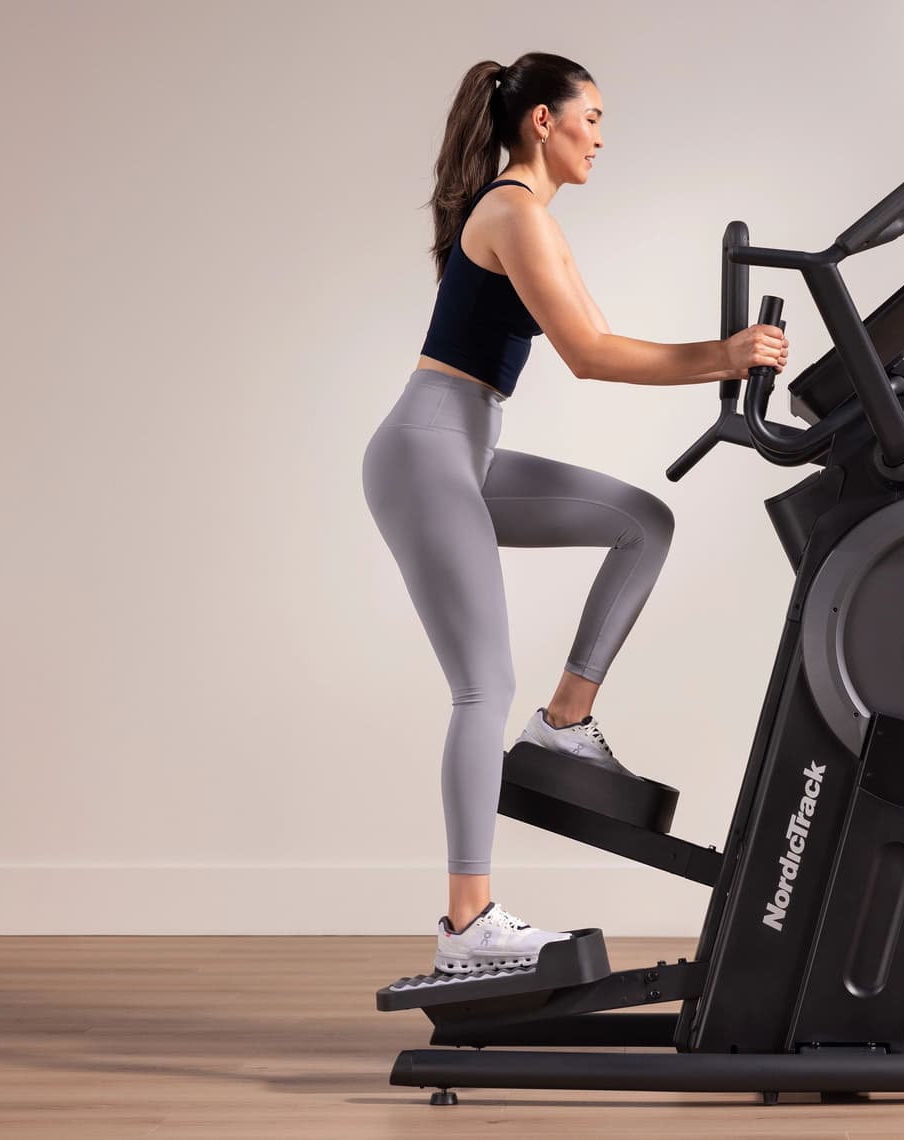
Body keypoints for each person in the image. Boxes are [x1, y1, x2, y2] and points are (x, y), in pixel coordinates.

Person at [361, 53, 789, 975]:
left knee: (643, 522)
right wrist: (726, 355)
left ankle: (565, 721)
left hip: (461, 448)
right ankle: (468, 925)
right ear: (542, 122)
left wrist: (723, 357)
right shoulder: (512, 212)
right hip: (427, 450)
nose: (600, 136)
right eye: (591, 116)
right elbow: (589, 355)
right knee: (482, 687)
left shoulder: (533, 219)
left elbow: (605, 340)